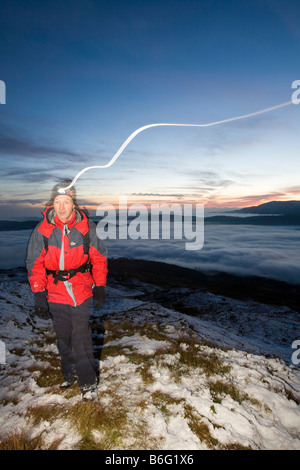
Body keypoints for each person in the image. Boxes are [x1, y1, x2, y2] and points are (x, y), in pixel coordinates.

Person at [26, 180, 108, 401]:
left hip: (81, 287)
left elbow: (99, 259)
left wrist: (100, 287)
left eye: (66, 202)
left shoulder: (86, 227)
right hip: (54, 291)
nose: (61, 207)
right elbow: (34, 263)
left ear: (74, 204)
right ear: (52, 204)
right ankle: (68, 373)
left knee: (80, 335)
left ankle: (88, 382)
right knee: (63, 335)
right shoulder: (42, 230)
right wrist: (38, 293)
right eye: (57, 202)